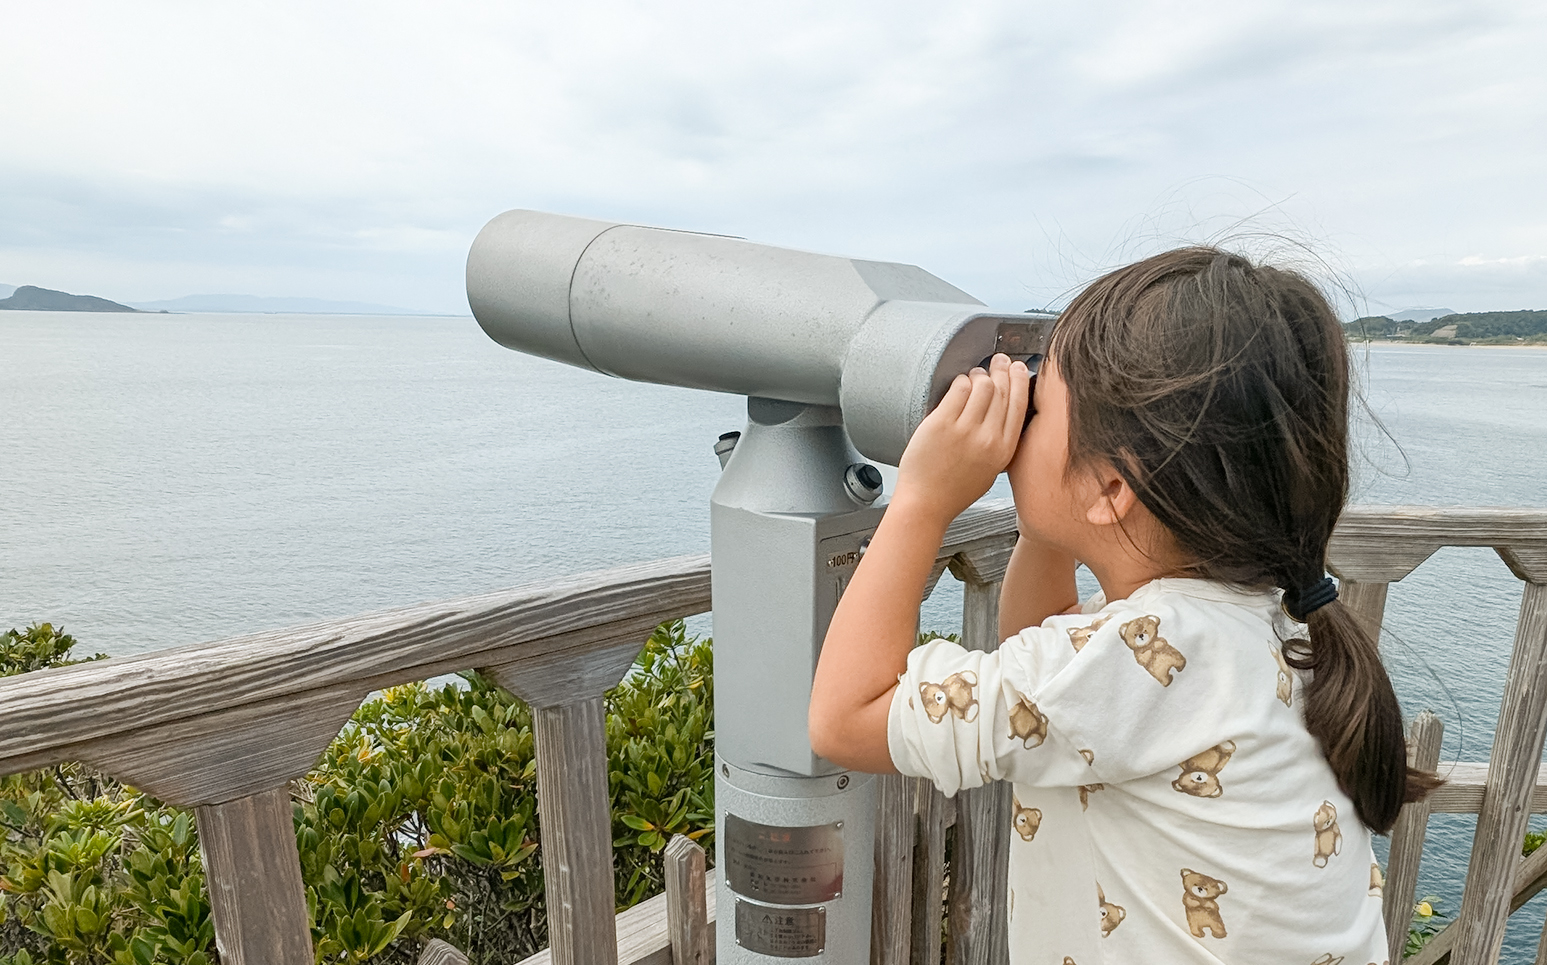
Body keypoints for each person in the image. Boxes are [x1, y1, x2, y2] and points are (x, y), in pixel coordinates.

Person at [808, 247, 1438, 964]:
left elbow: (845, 718)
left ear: (1111, 490)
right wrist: (1045, 519)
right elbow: (1042, 654)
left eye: (1037, 406)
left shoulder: (1135, 658)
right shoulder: (1260, 618)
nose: (1018, 422)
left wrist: (922, 498)